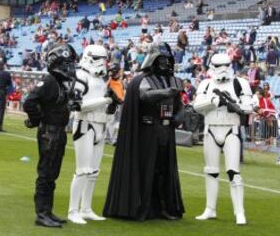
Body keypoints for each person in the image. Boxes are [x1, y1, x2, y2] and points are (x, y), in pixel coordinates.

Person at [103, 42, 185, 221]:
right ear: (154, 59)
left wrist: (180, 115)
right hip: (147, 130)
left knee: (163, 169)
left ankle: (162, 206)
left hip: (166, 129)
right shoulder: (142, 80)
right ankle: (143, 206)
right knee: (146, 168)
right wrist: (166, 92)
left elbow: (180, 104)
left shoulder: (174, 80)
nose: (166, 62)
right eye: (162, 59)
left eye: (168, 59)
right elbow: (145, 95)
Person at [193, 53, 256, 225]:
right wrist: (213, 102)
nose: (223, 69)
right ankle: (210, 208)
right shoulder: (206, 84)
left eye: (226, 65)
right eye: (219, 66)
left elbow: (250, 106)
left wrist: (235, 105)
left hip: (231, 129)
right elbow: (196, 105)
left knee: (233, 172)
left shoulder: (239, 83)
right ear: (212, 66)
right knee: (210, 171)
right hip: (211, 129)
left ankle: (239, 212)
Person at [23, 44, 78, 228]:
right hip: (49, 132)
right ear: (59, 64)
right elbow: (29, 101)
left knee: (52, 173)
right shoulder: (48, 81)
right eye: (67, 64)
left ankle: (47, 211)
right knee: (46, 173)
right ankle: (41, 214)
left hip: (57, 132)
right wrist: (36, 120)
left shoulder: (59, 83)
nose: (71, 68)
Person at [68, 45, 118, 224]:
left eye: (104, 59)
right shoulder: (81, 76)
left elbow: (104, 107)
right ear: (89, 58)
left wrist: (111, 105)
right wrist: (105, 100)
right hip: (84, 124)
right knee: (82, 170)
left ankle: (86, 208)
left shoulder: (100, 80)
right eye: (100, 59)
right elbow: (76, 105)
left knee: (94, 171)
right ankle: (73, 210)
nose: (103, 63)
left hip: (100, 125)